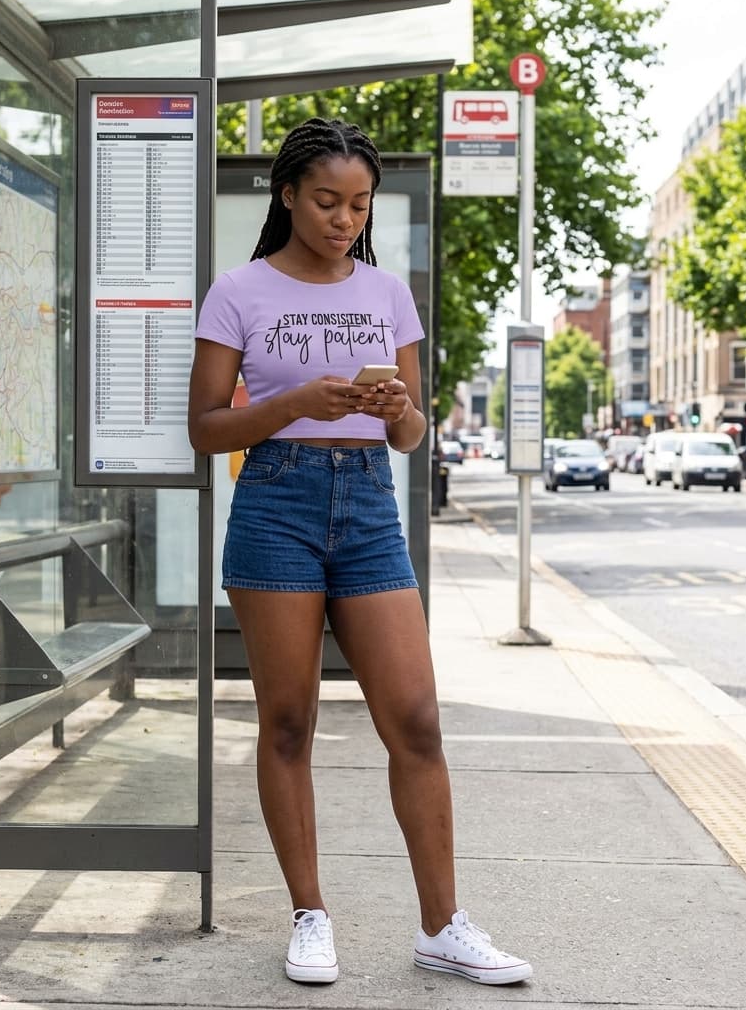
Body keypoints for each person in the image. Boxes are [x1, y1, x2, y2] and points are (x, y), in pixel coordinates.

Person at [187, 117, 532, 988]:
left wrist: (394, 411)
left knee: (415, 719)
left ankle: (442, 926)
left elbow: (414, 432)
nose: (346, 219)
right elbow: (206, 427)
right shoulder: (239, 291)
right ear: (289, 196)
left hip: (369, 505)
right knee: (290, 722)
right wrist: (297, 399)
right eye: (329, 201)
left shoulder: (386, 292)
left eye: (359, 204)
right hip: (276, 501)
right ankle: (309, 915)